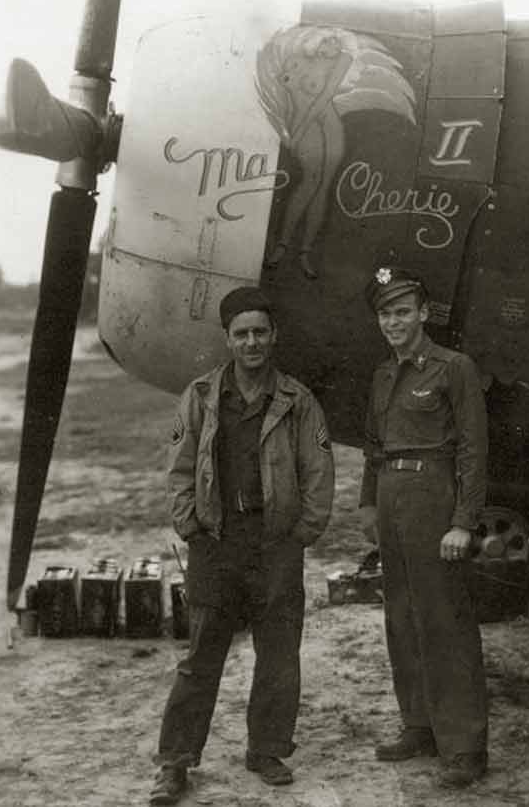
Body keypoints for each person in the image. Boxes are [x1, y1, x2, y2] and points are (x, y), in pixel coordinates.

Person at [149, 287, 335, 804]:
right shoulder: (202, 396)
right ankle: (175, 762)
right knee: (201, 657)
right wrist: (191, 525)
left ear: (273, 337)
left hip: (276, 546)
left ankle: (267, 750)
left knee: (279, 655)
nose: (251, 342)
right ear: (228, 340)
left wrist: (303, 533)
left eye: (259, 332)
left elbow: (318, 473)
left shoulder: (298, 401)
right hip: (217, 544)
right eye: (241, 333)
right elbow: (180, 467)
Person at [356, 266, 490, 789]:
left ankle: (465, 746)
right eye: (386, 313)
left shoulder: (453, 368)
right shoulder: (383, 375)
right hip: (391, 496)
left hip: (433, 496)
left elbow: (474, 452)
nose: (393, 321)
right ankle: (420, 725)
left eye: (403, 311)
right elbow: (373, 445)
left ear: (424, 314)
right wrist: (368, 504)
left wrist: (463, 522)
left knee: (444, 619)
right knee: (400, 614)